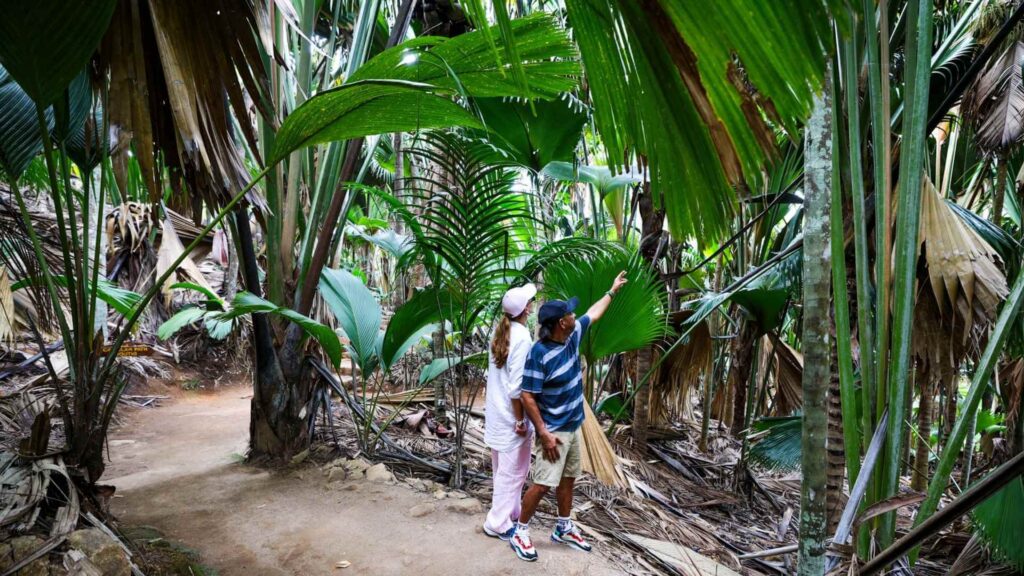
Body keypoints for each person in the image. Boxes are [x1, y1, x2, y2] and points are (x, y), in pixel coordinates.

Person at [508, 272, 628, 562]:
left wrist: (611, 291)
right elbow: (527, 395)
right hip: (554, 431)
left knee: (568, 479)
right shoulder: (539, 353)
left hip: (574, 426)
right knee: (543, 483)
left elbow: (593, 314)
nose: (575, 314)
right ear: (562, 322)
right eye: (570, 313)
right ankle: (520, 532)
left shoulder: (572, 336)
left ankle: (563, 527)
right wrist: (545, 433)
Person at [482, 283, 537, 540]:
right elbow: (516, 388)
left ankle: (510, 512)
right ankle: (498, 522)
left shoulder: (500, 333)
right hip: (511, 416)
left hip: (496, 413)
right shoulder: (523, 337)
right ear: (527, 309)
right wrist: (520, 420)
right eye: (531, 301)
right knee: (514, 472)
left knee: (502, 470)